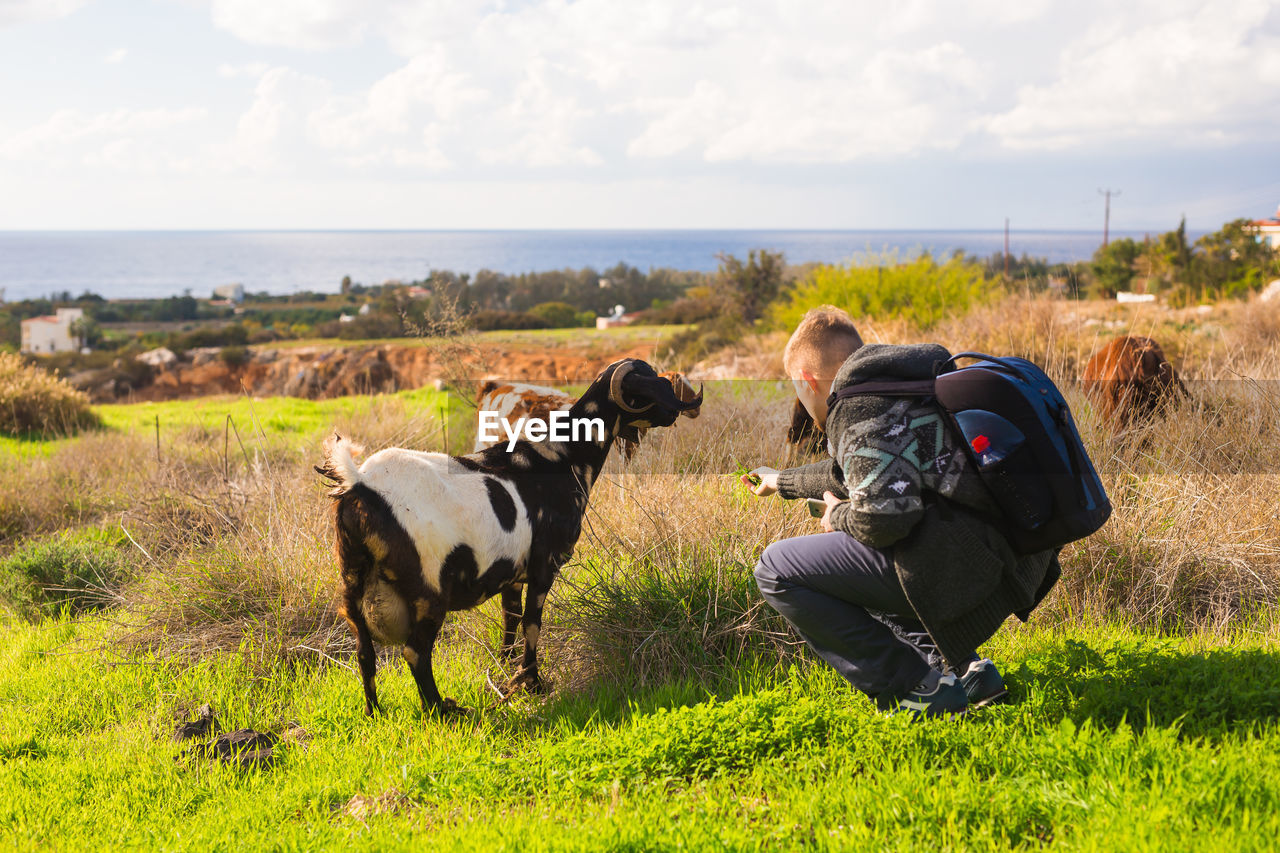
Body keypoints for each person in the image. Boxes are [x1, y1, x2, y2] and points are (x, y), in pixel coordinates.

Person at [743, 306, 1059, 717]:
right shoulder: (911, 384)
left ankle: (916, 689)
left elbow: (884, 521)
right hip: (1020, 558)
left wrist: (837, 517)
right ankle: (966, 673)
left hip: (970, 567)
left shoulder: (855, 408)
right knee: (861, 558)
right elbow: (857, 470)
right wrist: (780, 481)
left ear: (807, 380)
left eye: (797, 391)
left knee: (776, 568)